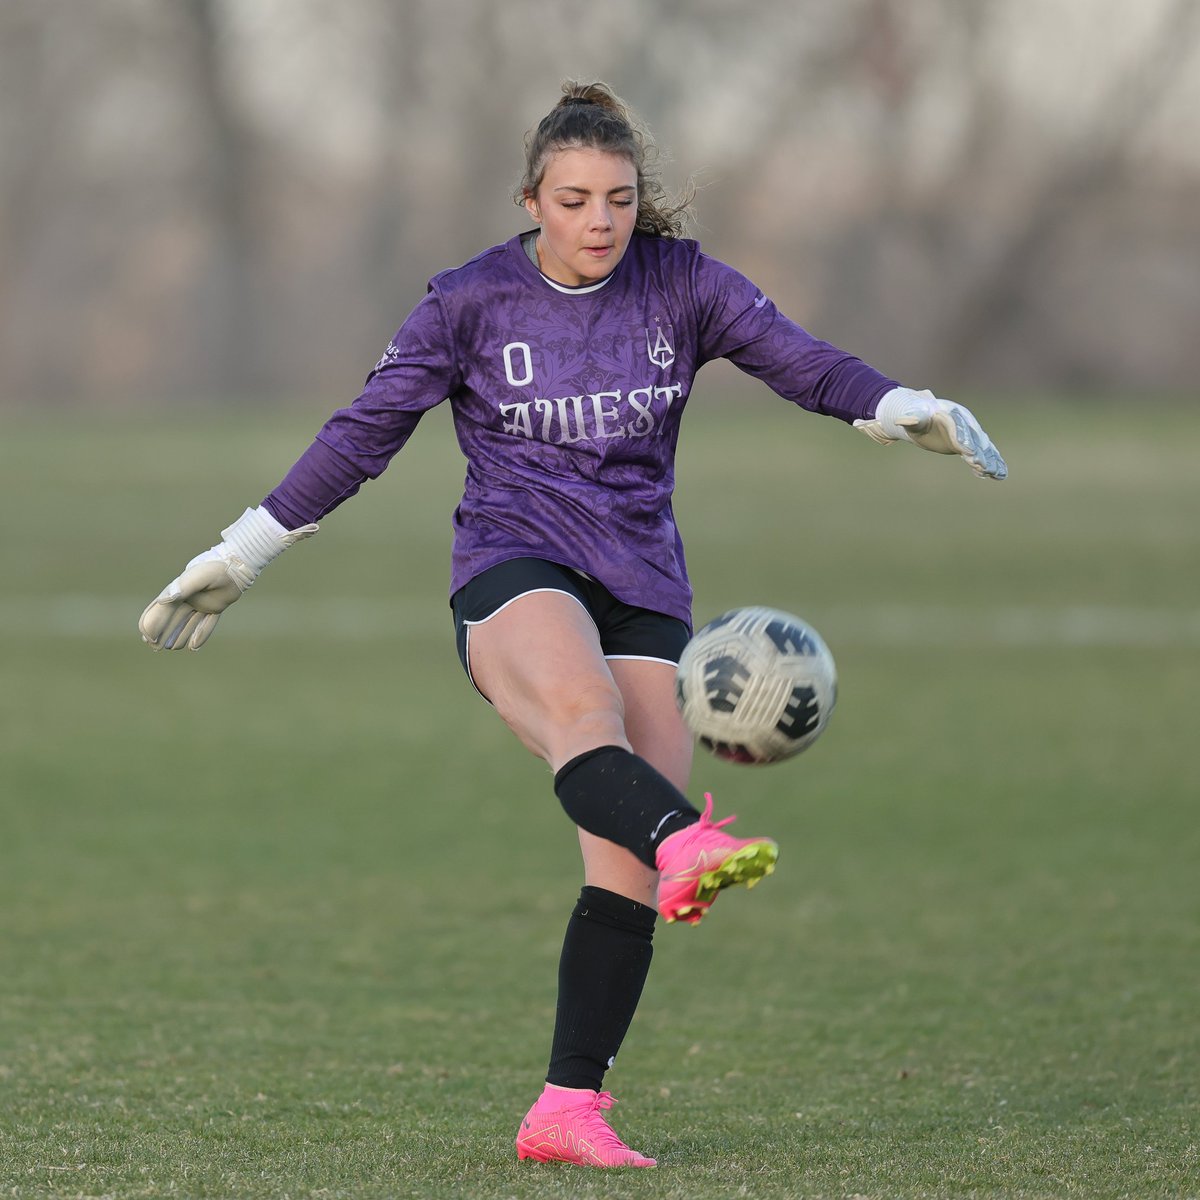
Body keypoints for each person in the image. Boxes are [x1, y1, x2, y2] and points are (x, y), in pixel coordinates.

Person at [139, 80, 1007, 1169]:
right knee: (591, 725)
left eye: (618, 198)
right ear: (531, 200)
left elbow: (804, 361)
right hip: (513, 564)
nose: (599, 221)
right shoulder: (468, 302)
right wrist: (241, 549)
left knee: (627, 864)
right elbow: (364, 433)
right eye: (574, 199)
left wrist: (896, 405)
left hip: (643, 579)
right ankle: (692, 836)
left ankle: (567, 1110)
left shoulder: (680, 284)